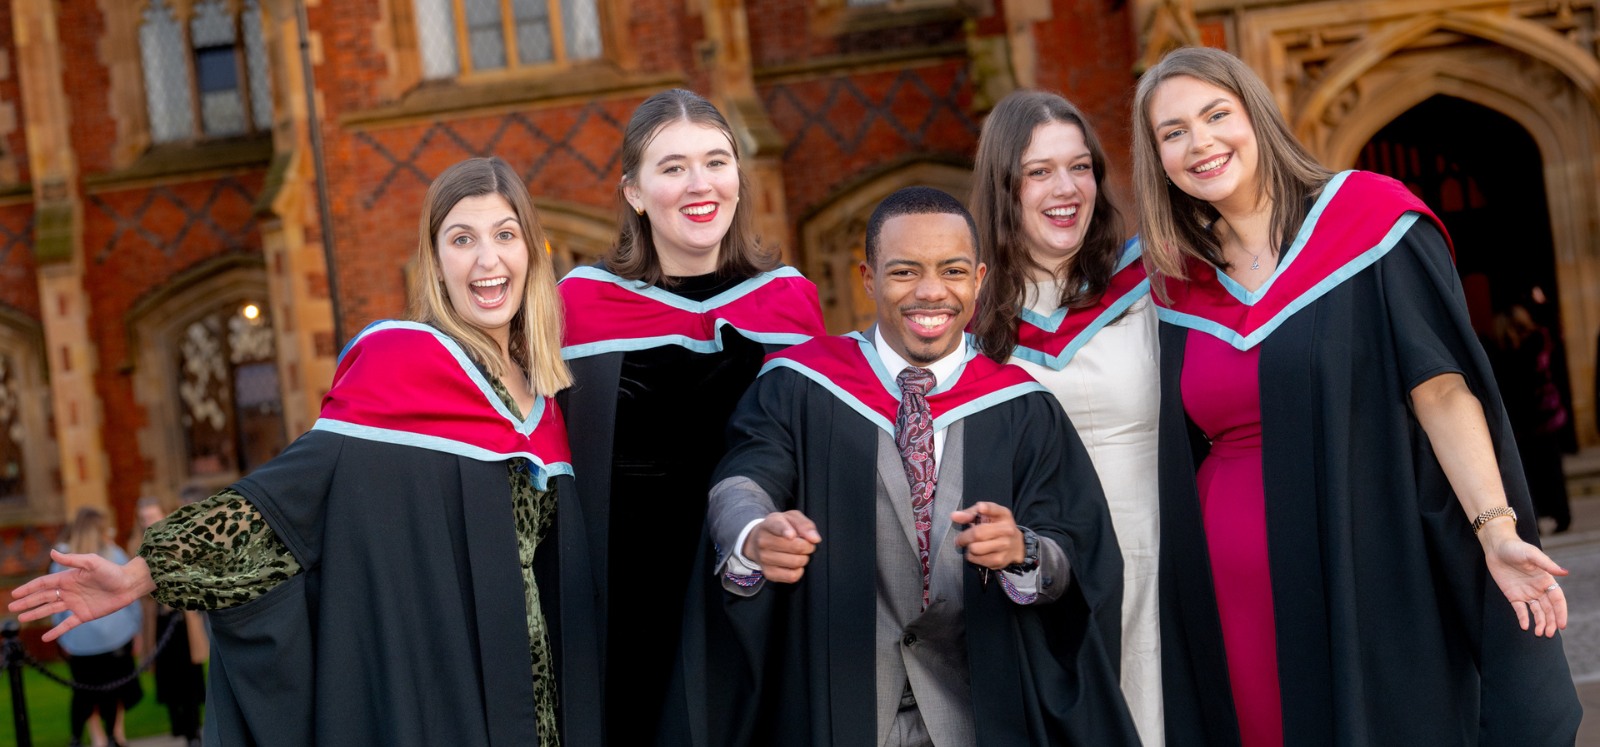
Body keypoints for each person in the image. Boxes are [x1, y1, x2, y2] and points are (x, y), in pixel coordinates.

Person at [11, 157, 601, 747]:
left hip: (541, 688)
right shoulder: (400, 365)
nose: (487, 259)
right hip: (444, 687)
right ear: (435, 260)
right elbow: (286, 504)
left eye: (504, 234)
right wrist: (142, 574)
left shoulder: (548, 397)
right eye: (462, 239)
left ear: (531, 248)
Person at [1131, 46, 1581, 746]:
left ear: (1257, 115)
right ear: (1157, 156)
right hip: (1229, 581)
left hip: (1364, 548)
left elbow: (1441, 389)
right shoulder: (1170, 283)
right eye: (1174, 132)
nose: (1201, 143)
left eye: (1217, 114)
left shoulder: (1368, 221)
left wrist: (1495, 530)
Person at [683, 186, 1137, 746]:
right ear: (868, 279)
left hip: (980, 709)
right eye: (904, 272)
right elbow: (746, 476)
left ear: (978, 278)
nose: (930, 292)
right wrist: (753, 533)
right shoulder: (801, 385)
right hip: (840, 708)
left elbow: (1078, 547)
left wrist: (1023, 552)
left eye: (951, 271)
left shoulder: (1021, 405)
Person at [555, 88, 824, 740]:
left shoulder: (790, 302)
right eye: (672, 167)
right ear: (635, 192)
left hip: (759, 600)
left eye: (716, 161)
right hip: (626, 608)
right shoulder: (578, 306)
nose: (699, 184)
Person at [969, 89, 1163, 746]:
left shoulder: (1154, 285)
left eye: (1080, 167)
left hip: (1165, 548)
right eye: (1040, 170)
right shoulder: (966, 329)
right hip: (1050, 572)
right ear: (1004, 187)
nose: (1067, 187)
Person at [52, 508, 142, 747]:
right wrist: (136, 628)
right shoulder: (114, 555)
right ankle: (115, 735)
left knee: (85, 693)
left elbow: (56, 605)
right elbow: (132, 595)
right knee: (113, 690)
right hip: (115, 636)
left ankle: (93, 738)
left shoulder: (63, 562)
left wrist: (63, 638)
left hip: (80, 641)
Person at [127, 496, 206, 747]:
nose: (148, 522)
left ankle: (193, 730)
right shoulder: (136, 546)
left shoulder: (181, 539)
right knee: (168, 675)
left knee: (190, 675)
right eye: (144, 519)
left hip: (183, 618)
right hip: (158, 620)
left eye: (152, 516)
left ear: (164, 514)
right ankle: (178, 724)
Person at [1490, 304, 1573, 533]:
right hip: (1544, 417)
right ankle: (1561, 515)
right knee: (1551, 470)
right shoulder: (1538, 342)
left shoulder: (1503, 352)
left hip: (1522, 423)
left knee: (1527, 475)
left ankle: (1533, 519)